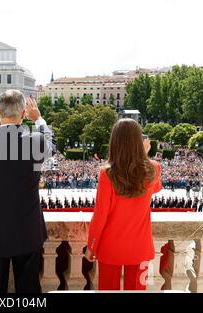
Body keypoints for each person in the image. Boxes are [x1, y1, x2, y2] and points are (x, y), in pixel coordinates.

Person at [0, 90, 55, 293]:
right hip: (29, 231)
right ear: (24, 114)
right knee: (29, 289)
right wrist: (39, 119)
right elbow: (51, 144)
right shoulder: (36, 141)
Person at [85, 118, 162, 290]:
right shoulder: (154, 168)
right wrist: (145, 156)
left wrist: (91, 246)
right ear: (139, 142)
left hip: (110, 248)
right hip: (141, 249)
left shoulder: (107, 174)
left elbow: (100, 215)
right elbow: (156, 188)